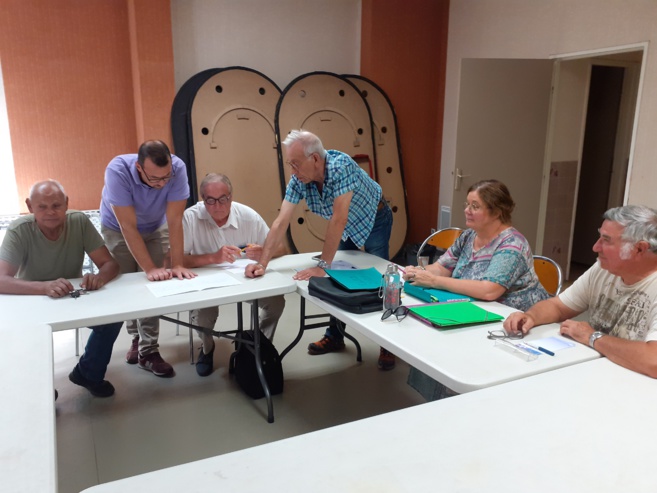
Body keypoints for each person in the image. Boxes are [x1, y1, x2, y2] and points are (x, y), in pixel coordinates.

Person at [245, 130, 395, 369]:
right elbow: (281, 221)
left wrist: (323, 265)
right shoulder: (299, 179)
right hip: (347, 226)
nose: (292, 171)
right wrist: (262, 263)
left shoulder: (341, 166)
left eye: (295, 164)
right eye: (290, 164)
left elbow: (338, 218)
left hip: (374, 218)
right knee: (339, 278)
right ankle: (335, 336)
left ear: (315, 158)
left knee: (381, 282)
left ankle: (388, 344)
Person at [403, 179, 550, 400]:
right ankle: (437, 400)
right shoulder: (469, 236)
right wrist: (418, 272)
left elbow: (489, 291)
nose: (467, 210)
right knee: (431, 335)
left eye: (475, 206)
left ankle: (454, 398)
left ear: (496, 212)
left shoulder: (512, 244)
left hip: (509, 319)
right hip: (475, 308)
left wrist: (434, 281)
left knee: (446, 343)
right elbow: (443, 267)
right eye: (467, 204)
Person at [0, 180, 123, 397]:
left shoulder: (78, 221)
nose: (50, 212)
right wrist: (45, 287)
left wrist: (98, 278)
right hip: (31, 300)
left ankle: (88, 373)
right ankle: (40, 387)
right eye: (42, 207)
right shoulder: (19, 230)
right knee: (24, 335)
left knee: (112, 318)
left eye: (56, 205)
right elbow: (2, 280)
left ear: (66, 203)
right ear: (30, 206)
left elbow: (110, 264)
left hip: (72, 296)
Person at [505, 205, 657, 378]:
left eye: (606, 240)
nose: (596, 247)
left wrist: (593, 337)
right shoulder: (604, 269)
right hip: (600, 371)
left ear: (639, 249)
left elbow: (653, 361)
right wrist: (531, 317)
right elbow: (558, 306)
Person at [100, 140, 196, 378]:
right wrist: (150, 267)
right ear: (139, 167)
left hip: (154, 225)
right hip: (118, 228)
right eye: (154, 179)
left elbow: (175, 220)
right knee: (130, 284)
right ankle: (136, 338)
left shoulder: (178, 168)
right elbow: (128, 226)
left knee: (154, 285)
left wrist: (177, 263)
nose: (161, 184)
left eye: (166, 177)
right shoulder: (117, 171)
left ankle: (149, 350)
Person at [182, 173, 286, 377]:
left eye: (223, 199)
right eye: (210, 200)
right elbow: (173, 261)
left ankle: (259, 343)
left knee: (276, 302)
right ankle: (207, 347)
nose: (217, 206)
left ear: (231, 196)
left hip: (244, 280)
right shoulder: (190, 218)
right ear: (202, 199)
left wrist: (264, 252)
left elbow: (282, 248)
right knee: (203, 316)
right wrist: (213, 257)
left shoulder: (248, 216)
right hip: (206, 283)